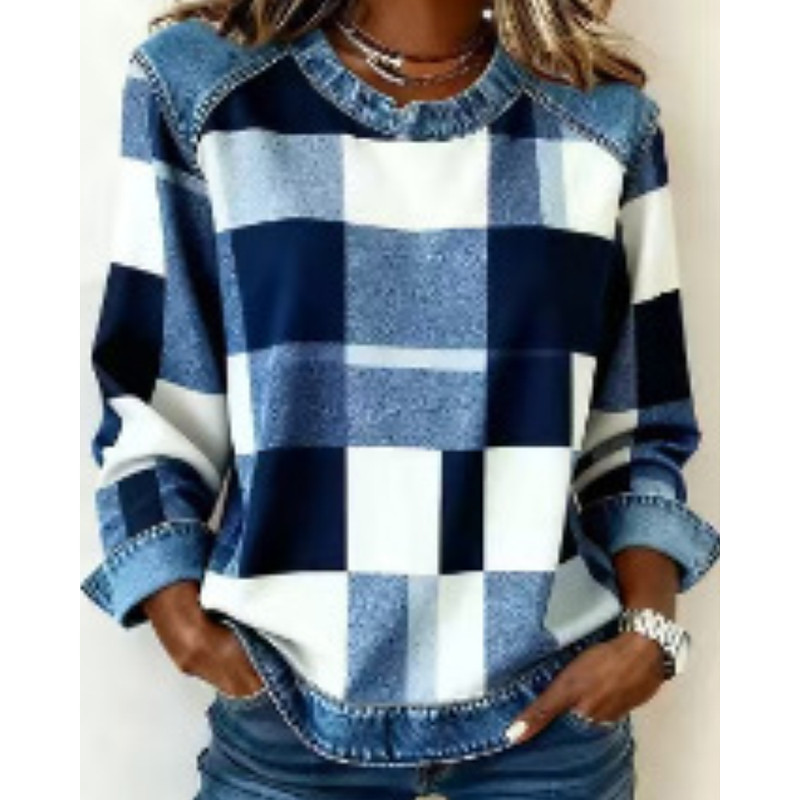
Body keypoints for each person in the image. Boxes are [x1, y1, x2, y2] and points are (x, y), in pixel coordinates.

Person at [81, 1, 720, 797]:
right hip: (286, 719)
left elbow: (638, 433)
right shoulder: (203, 92)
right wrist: (181, 621)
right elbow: (153, 397)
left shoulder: (603, 122)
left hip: (550, 729)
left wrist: (649, 635)